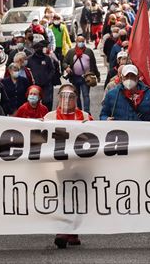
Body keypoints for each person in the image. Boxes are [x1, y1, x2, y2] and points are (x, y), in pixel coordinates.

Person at [45, 84, 92, 249]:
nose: (67, 100)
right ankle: (63, 230)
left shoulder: (84, 116)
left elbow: (96, 137)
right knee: (62, 196)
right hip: (58, 163)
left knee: (76, 196)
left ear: (76, 99)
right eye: (64, 96)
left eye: (71, 97)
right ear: (59, 98)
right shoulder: (50, 117)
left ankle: (72, 231)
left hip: (79, 164)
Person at [63, 36, 100, 114]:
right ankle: (79, 111)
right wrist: (66, 67)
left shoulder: (89, 51)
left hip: (86, 77)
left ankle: (87, 112)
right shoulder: (71, 52)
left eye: (82, 41)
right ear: (76, 42)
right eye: (79, 41)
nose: (81, 43)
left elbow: (93, 64)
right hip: (75, 77)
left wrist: (97, 75)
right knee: (77, 96)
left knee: (86, 95)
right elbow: (64, 62)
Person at [26, 40, 55, 110]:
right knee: (34, 103)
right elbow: (26, 71)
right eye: (37, 48)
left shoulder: (47, 58)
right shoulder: (30, 59)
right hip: (34, 85)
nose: (39, 49)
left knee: (47, 102)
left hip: (46, 85)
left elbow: (52, 70)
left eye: (40, 48)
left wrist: (48, 79)